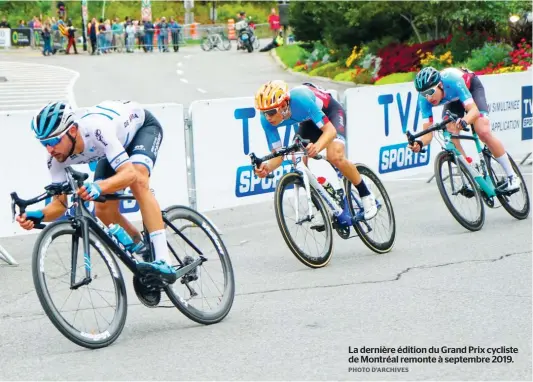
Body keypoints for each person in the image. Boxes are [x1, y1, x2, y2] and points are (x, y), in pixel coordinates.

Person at [16, 100, 177, 284]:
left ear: (73, 131)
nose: (50, 149)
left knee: (138, 181)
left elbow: (129, 173)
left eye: (54, 141)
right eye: (44, 143)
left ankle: (164, 261)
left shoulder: (96, 131)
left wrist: (98, 187)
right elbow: (59, 205)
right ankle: (144, 251)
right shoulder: (54, 158)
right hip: (110, 147)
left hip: (141, 129)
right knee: (103, 210)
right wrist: (38, 215)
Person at [253, 80, 378, 220]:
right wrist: (267, 168)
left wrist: (317, 147)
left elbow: (330, 131)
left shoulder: (301, 100)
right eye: (264, 113)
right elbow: (278, 154)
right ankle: (324, 205)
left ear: (283, 105)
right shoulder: (266, 120)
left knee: (334, 155)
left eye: (271, 112)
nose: (267, 117)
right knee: (297, 159)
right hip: (308, 122)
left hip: (331, 113)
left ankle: (366, 195)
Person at [409, 66, 521, 191]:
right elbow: (428, 133)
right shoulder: (423, 100)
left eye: (430, 92)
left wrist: (465, 121)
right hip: (453, 99)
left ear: (440, 85)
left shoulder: (452, 81)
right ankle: (471, 171)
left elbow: (474, 110)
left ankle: (512, 177)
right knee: (450, 133)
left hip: (471, 88)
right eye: (424, 94)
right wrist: (420, 143)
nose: (428, 98)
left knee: (482, 131)